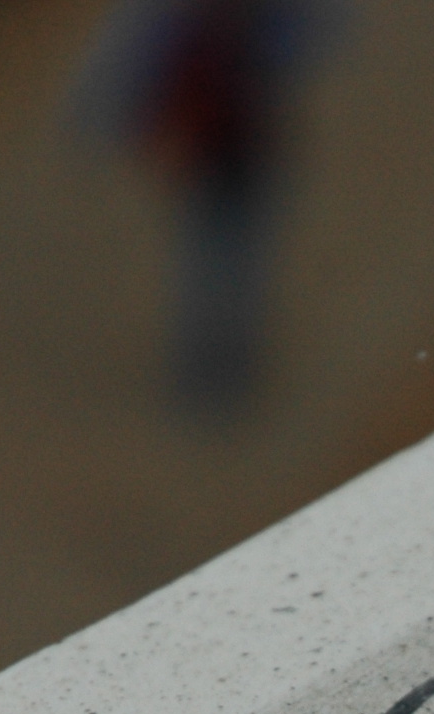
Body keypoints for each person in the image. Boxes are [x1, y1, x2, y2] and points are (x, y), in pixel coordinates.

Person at [76, 0, 333, 416]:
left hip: (235, 155)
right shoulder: (193, 26)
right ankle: (216, 366)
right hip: (223, 157)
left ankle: (218, 364)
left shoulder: (187, 24)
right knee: (223, 262)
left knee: (223, 262)